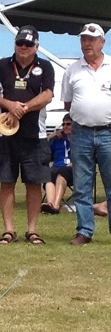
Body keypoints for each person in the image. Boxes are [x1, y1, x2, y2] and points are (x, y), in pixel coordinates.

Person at [0, 25, 55, 245]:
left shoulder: (45, 67)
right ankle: (8, 230)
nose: (24, 47)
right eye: (20, 43)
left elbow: (48, 95)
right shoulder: (2, 65)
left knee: (34, 183)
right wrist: (9, 105)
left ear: (36, 46)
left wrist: (24, 107)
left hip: (35, 136)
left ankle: (32, 230)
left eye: (28, 44)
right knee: (6, 182)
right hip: (5, 134)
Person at [61, 23, 111, 245]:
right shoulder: (72, 70)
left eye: (91, 39)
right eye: (83, 39)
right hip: (81, 133)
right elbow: (68, 103)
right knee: (82, 185)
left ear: (102, 42)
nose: (87, 43)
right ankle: (84, 231)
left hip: (109, 132)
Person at [41, 114, 73, 214]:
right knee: (48, 173)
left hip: (73, 170)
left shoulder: (80, 140)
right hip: (56, 168)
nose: (65, 127)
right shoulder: (58, 138)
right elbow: (42, 146)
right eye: (63, 124)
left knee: (62, 172)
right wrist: (52, 135)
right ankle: (50, 205)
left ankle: (56, 205)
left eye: (68, 124)